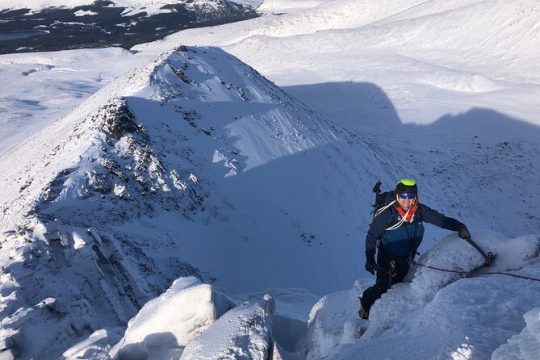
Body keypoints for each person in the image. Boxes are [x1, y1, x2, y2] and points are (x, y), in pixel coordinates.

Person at [359, 178, 471, 319]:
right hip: (386, 257)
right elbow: (372, 235)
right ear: (397, 195)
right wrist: (369, 257)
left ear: (415, 197)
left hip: (406, 258)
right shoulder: (388, 214)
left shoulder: (419, 211)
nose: (407, 200)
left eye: (411, 196)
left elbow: (440, 220)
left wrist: (459, 226)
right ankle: (365, 305)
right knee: (382, 287)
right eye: (403, 196)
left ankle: (382, 310)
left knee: (397, 285)